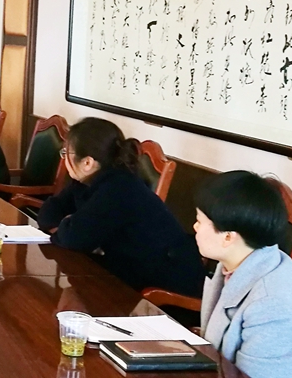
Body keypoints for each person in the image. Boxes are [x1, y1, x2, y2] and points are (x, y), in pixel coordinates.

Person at [37, 118, 206, 297]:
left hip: (165, 283)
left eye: (65, 152)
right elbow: (48, 212)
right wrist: (67, 225)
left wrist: (67, 225)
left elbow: (75, 238)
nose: (63, 158)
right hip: (129, 268)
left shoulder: (118, 187)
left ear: (87, 163)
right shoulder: (87, 181)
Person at [194, 171, 292, 378]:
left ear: (228, 237)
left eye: (200, 221)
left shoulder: (274, 304)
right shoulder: (234, 264)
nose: (195, 227)